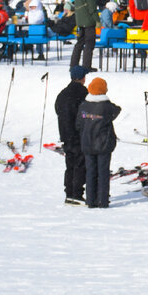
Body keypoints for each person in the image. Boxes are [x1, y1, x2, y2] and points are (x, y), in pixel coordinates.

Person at [76, 76, 120, 209]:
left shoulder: (84, 105)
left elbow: (78, 124)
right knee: (103, 172)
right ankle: (102, 200)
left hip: (88, 144)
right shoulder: (106, 106)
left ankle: (91, 200)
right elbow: (117, 110)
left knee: (90, 172)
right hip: (104, 144)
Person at [54, 66, 89, 205]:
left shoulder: (63, 93)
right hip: (78, 133)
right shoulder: (83, 93)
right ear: (82, 78)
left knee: (70, 164)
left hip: (65, 133)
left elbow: (58, 109)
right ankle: (77, 193)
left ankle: (69, 192)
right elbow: (85, 112)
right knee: (80, 164)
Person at [71, 0, 98, 71]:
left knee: (80, 42)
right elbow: (92, 8)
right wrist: (97, 20)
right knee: (89, 43)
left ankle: (73, 65)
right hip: (88, 21)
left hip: (80, 21)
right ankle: (86, 66)